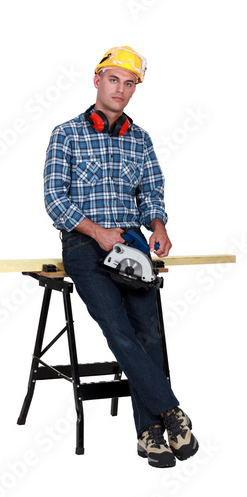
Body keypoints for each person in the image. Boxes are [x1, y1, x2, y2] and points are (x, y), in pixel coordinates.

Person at [44, 46, 198, 468]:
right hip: (84, 247)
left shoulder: (141, 140)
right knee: (119, 331)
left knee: (151, 337)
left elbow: (152, 193)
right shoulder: (66, 134)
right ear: (97, 80)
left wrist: (160, 228)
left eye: (130, 84)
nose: (122, 90)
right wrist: (98, 233)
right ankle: (172, 412)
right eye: (115, 80)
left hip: (131, 246)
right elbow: (55, 200)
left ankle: (149, 435)